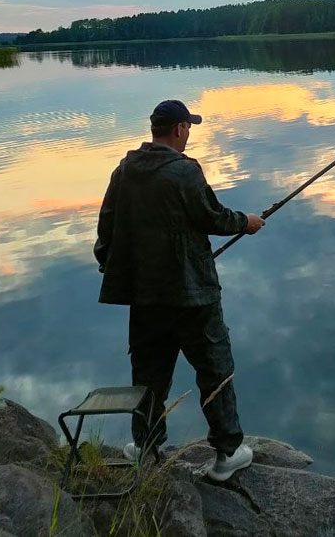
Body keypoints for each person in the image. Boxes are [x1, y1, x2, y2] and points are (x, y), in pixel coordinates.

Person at [94, 98, 264, 482]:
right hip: (193, 297)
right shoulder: (185, 171)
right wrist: (247, 222)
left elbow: (106, 231)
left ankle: (145, 445)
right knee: (214, 368)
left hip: (146, 297)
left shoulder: (124, 171)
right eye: (189, 128)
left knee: (149, 373)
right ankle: (227, 453)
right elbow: (212, 217)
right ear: (179, 129)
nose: (189, 135)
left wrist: (113, 266)